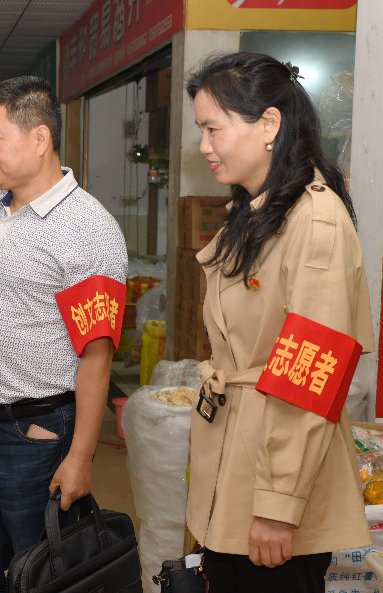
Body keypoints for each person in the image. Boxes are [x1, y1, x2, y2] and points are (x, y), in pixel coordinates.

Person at [185, 52, 372, 593]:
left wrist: (277, 506)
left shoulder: (315, 222)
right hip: (239, 464)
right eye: (201, 130)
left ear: (268, 124)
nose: (204, 146)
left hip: (274, 483)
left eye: (213, 129)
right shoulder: (257, 212)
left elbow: (309, 376)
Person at [0, 75, 128, 593]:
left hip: (37, 436)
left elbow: (96, 355)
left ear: (40, 138)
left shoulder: (87, 230)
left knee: (43, 577)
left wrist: (80, 456)